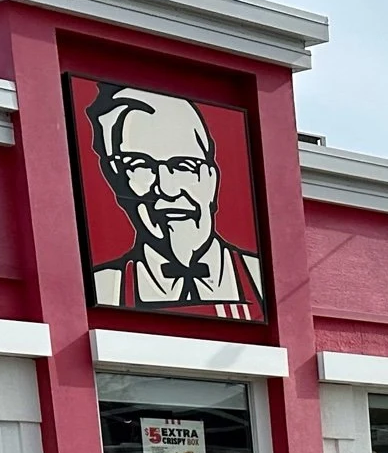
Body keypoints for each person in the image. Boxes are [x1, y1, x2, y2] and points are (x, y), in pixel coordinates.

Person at [84, 83, 266, 321]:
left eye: (183, 166)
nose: (167, 189)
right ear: (116, 181)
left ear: (211, 178)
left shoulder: (261, 279)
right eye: (141, 166)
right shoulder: (105, 287)